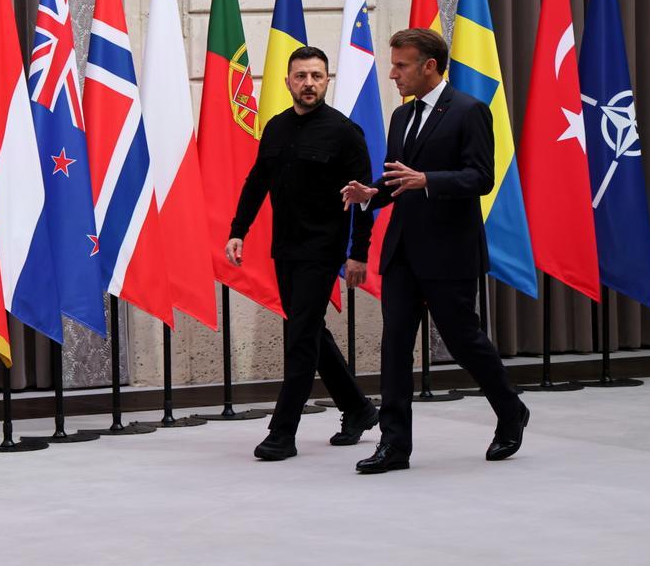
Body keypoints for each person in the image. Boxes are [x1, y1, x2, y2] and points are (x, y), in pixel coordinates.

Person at [341, 28, 530, 474]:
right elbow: (395, 180)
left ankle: (510, 409)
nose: (392, 74)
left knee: (465, 340)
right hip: (403, 250)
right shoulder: (401, 118)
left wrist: (430, 181)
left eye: (401, 65)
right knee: (395, 346)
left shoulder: (470, 111)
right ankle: (395, 446)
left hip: (450, 250)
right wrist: (371, 193)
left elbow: (481, 177)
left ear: (430, 65)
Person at [227, 46, 379, 461]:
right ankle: (359, 408)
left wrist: (358, 254)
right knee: (310, 333)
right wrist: (238, 230)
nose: (308, 83)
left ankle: (282, 433)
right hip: (285, 249)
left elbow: (365, 200)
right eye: (301, 76)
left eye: (316, 75)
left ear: (327, 80)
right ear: (287, 81)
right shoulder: (275, 128)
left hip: (322, 250)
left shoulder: (345, 133)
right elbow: (257, 182)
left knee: (299, 339)